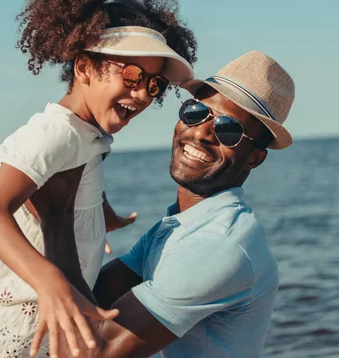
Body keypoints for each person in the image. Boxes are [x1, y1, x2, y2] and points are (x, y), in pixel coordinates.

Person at [0, 0, 197, 357]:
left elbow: (80, 173)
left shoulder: (88, 134)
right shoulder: (55, 132)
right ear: (84, 67)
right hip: (19, 314)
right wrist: (49, 280)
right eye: (131, 76)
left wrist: (103, 214)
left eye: (154, 85)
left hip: (51, 314)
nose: (141, 95)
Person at [51, 50, 295, 357]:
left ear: (256, 157)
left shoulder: (218, 244)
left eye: (228, 129)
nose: (201, 133)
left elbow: (93, 352)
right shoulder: (180, 225)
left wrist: (55, 211)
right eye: (195, 112)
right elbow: (90, 299)